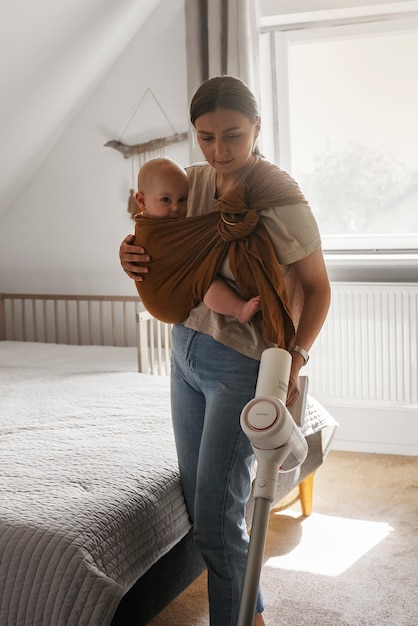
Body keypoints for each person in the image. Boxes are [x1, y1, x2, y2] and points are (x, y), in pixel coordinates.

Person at [120, 76, 331, 626]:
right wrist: (131, 252)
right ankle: (249, 614)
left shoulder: (280, 199)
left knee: (216, 522)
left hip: (240, 363)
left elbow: (320, 288)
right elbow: (155, 237)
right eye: (206, 137)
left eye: (233, 135)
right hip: (184, 352)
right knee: (204, 507)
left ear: (257, 127)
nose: (219, 151)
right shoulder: (188, 185)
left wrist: (296, 359)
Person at [134, 155, 262, 324]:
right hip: (164, 299)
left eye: (182, 200)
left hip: (176, 296)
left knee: (204, 276)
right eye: (166, 200)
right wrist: (228, 217)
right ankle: (238, 310)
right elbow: (205, 231)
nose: (176, 208)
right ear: (142, 201)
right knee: (206, 281)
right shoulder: (150, 232)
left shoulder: (172, 225)